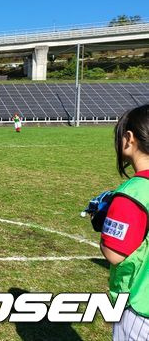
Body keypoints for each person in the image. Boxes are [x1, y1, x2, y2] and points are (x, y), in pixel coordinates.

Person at [88, 105, 149, 339]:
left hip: (140, 305)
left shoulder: (133, 193)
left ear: (129, 138)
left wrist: (103, 222)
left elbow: (115, 253)